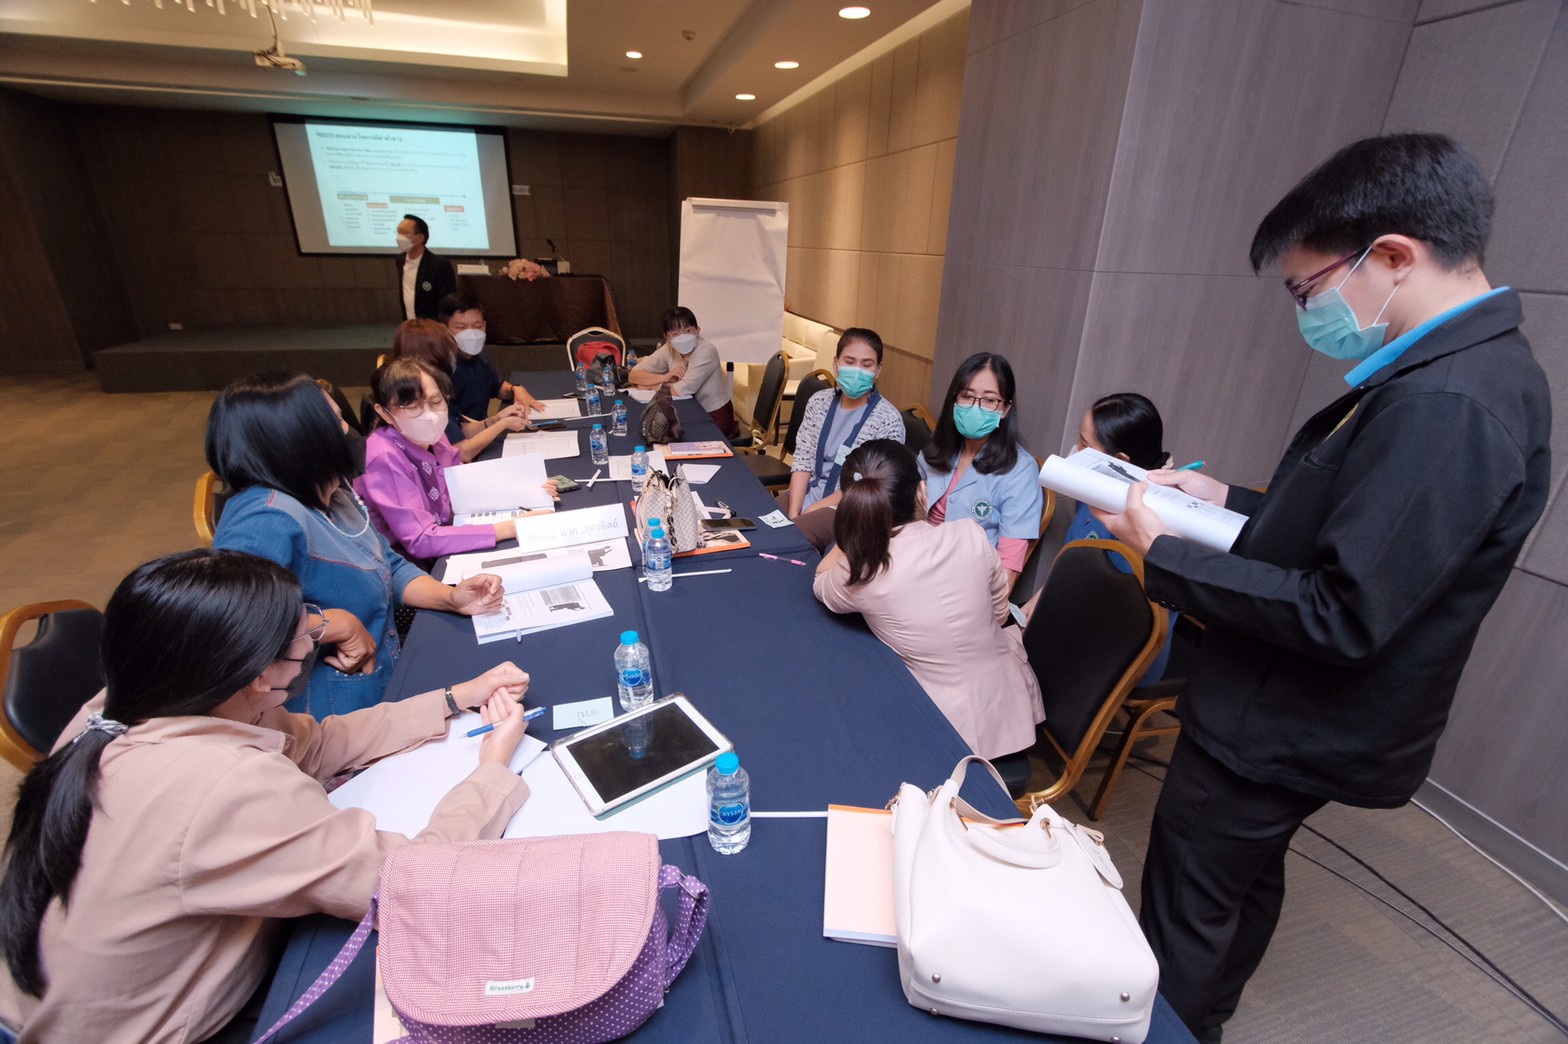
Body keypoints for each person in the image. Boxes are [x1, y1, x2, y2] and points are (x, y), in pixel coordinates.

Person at [1093, 133, 1551, 1042]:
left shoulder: (1451, 402)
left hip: (1284, 719)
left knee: (1188, 899)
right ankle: (1206, 1016)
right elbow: (1360, 526)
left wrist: (1166, 554)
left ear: (1393, 257)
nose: (1307, 312)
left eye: (1308, 289)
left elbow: (1345, 609)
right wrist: (1227, 501)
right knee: (1238, 882)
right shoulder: (1446, 371)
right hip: (1293, 712)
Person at [0, 549, 531, 1044]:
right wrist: (491, 770)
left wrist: (453, 698)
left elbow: (316, 744)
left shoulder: (143, 699)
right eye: (306, 636)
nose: (316, 635)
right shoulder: (224, 784)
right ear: (258, 675)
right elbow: (413, 882)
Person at [207, 370, 507, 718]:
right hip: (326, 715)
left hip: (385, 678)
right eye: (337, 422)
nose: (350, 432)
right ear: (298, 439)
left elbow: (388, 564)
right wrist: (332, 625)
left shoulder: (334, 493)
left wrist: (450, 598)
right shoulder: (265, 517)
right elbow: (229, 620)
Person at [813, 440, 1043, 759]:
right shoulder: (970, 534)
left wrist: (854, 533)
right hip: (1010, 710)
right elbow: (1000, 613)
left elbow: (820, 583)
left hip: (936, 729)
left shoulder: (862, 571)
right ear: (922, 492)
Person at [355, 356, 558, 569]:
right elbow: (421, 539)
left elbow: (461, 481)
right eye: (413, 407)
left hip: (444, 536)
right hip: (406, 568)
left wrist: (525, 490)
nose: (430, 415)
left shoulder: (431, 435)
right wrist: (512, 527)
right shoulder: (383, 458)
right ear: (384, 413)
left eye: (436, 402)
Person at [1032, 391, 1175, 682]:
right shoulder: (1095, 491)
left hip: (1117, 653)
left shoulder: (1153, 527)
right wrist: (1031, 609)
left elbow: (1115, 620)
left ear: (1118, 461)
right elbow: (1070, 566)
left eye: (1084, 444)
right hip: (1072, 621)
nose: (1076, 449)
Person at [918, 352, 1043, 589]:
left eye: (989, 400)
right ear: (955, 400)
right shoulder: (938, 446)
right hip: (915, 565)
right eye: (967, 396)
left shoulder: (1021, 470)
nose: (976, 407)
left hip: (965, 587)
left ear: (1005, 409)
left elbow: (1007, 571)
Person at [786, 327, 906, 552]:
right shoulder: (819, 403)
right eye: (849, 362)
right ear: (836, 364)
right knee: (764, 518)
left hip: (851, 507)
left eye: (866, 365)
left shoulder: (887, 420)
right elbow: (803, 460)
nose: (857, 371)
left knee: (796, 539)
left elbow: (867, 486)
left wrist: (810, 512)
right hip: (811, 491)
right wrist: (794, 513)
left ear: (878, 371)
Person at [391, 319, 531, 462]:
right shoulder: (426, 400)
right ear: (435, 357)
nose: (454, 357)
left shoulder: (435, 387)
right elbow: (462, 452)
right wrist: (502, 424)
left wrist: (496, 420)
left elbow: (459, 431)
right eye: (450, 351)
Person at [628, 306, 739, 437]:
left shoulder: (706, 350)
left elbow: (683, 389)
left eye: (688, 331)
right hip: (687, 411)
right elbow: (634, 375)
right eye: (675, 334)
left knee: (674, 438)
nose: (682, 337)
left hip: (714, 415)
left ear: (697, 331)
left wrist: (652, 386)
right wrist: (664, 378)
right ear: (667, 337)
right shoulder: (669, 348)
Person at [439, 293, 546, 419]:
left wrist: (515, 389)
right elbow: (455, 424)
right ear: (444, 329)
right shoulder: (442, 368)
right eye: (461, 327)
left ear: (484, 326)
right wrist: (495, 422)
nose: (471, 333)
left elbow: (497, 387)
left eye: (477, 326)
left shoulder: (481, 357)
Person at [395, 213, 456, 321]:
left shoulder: (439, 265)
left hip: (431, 325)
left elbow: (447, 302)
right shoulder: (400, 260)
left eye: (405, 233)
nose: (400, 237)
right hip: (409, 323)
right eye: (399, 232)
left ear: (420, 238)